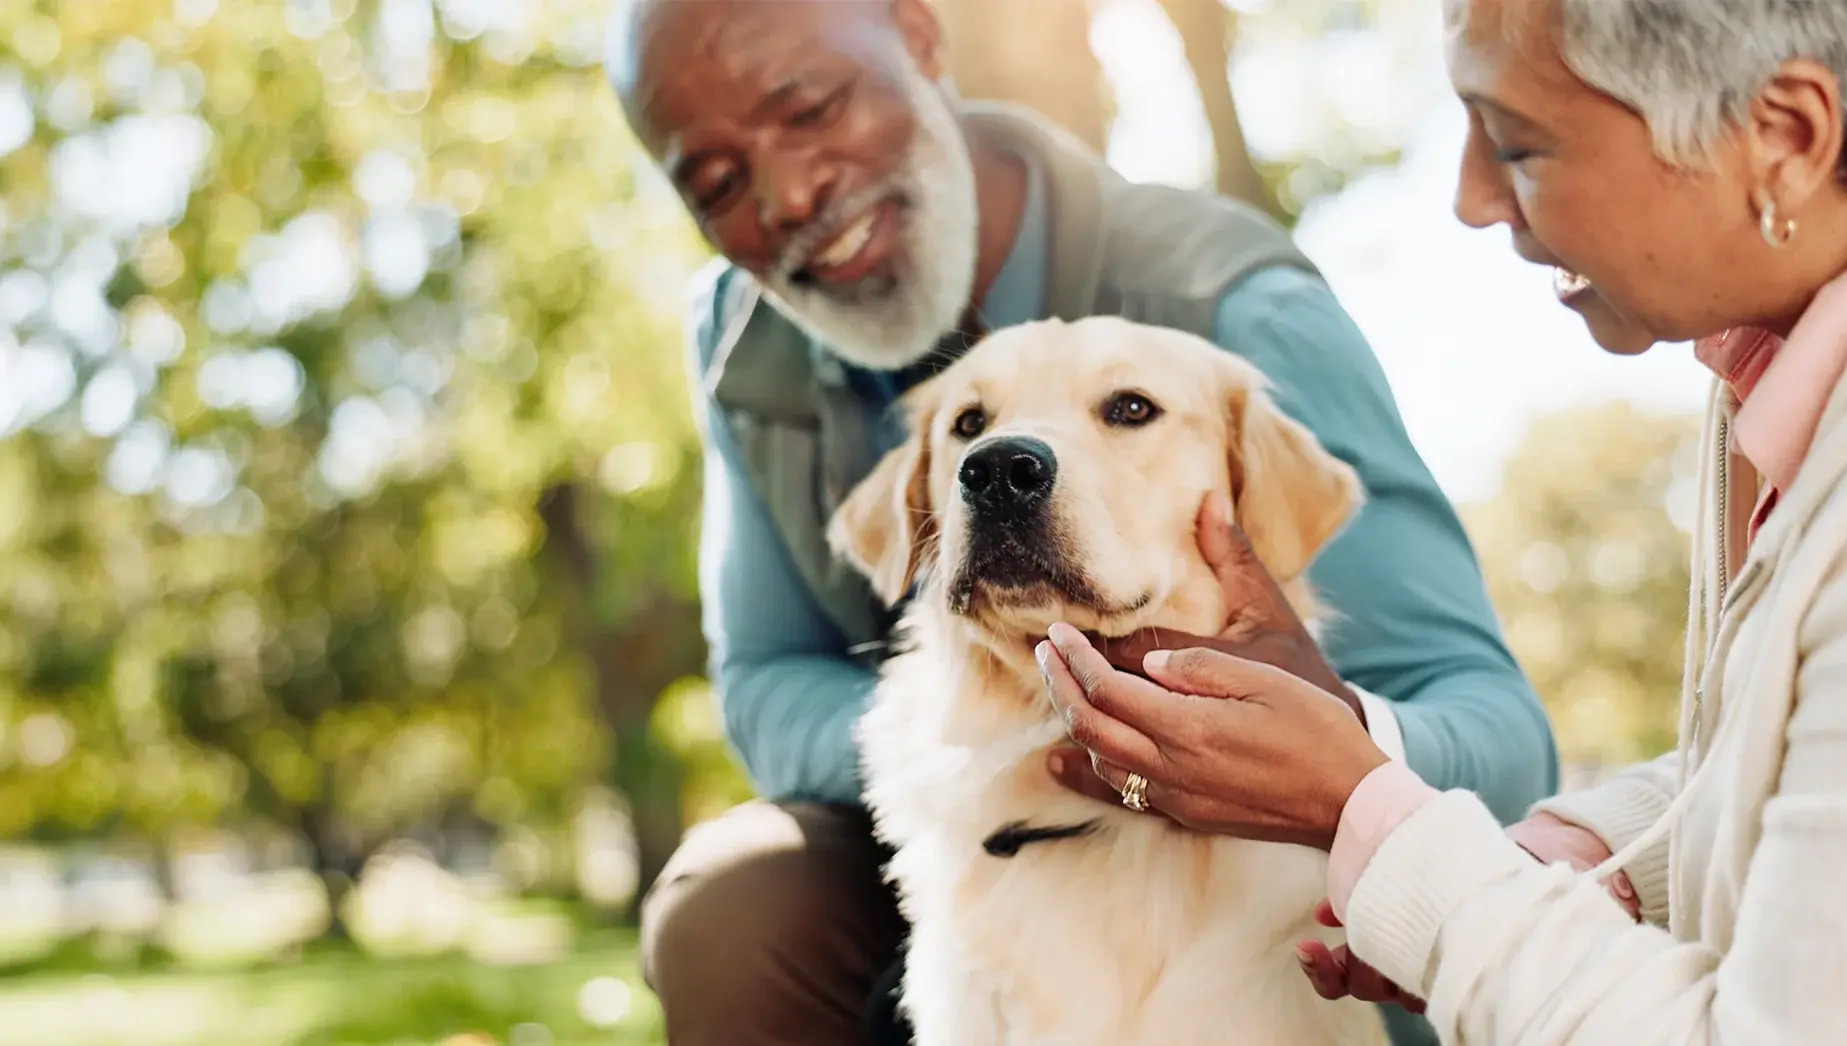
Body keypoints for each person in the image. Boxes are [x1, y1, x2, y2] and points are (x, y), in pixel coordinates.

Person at [604, 0, 1559, 1041]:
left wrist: (1296, 747)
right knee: (731, 906)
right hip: (953, 839)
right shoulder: (744, 338)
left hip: (1271, 893)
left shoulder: (1236, 306)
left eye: (813, 108)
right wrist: (986, 751)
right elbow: (765, 675)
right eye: (719, 184)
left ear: (923, 38)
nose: (789, 194)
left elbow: (1503, 736)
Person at [1035, 0, 1847, 1040]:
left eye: (1517, 144)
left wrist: (1366, 814)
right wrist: (1522, 868)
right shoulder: (1787, 363)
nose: (1472, 199)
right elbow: (1792, 780)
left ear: (1784, 137)